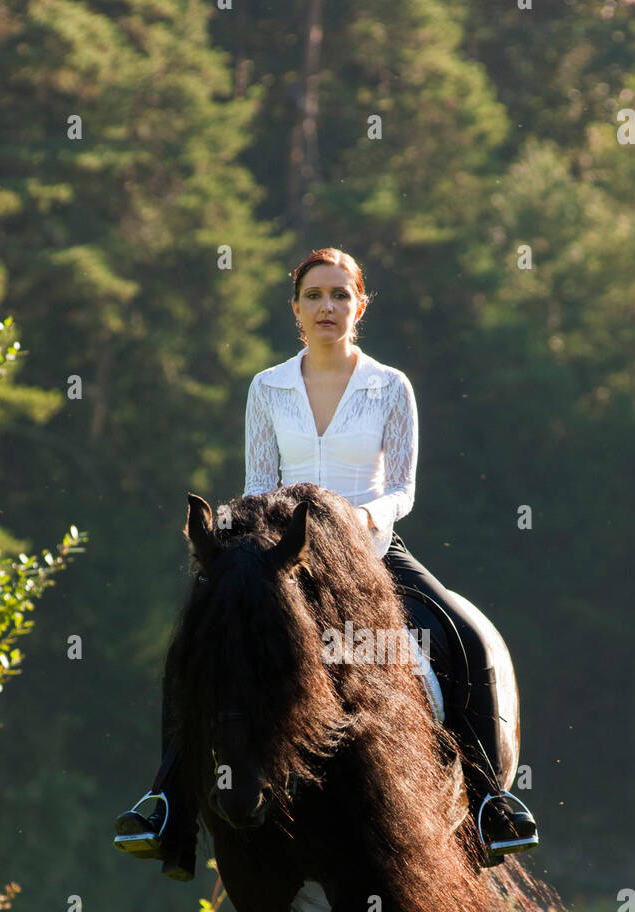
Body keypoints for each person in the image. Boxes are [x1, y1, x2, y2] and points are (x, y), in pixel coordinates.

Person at [114, 247, 537, 878]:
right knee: (194, 650)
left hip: (370, 548)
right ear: (295, 309)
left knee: (465, 633)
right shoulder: (268, 387)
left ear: (360, 306)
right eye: (314, 295)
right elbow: (260, 481)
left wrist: (367, 516)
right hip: (282, 556)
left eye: (340, 295)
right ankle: (166, 805)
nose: (327, 307)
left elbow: (404, 488)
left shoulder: (391, 386)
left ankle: (487, 804)